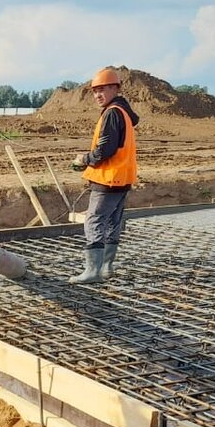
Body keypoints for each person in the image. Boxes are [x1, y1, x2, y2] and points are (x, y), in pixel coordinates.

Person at [69, 67, 139, 283]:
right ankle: (107, 267)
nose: (98, 95)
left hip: (108, 179)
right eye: (95, 91)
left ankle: (93, 271)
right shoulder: (124, 112)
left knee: (94, 221)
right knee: (112, 223)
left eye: (103, 90)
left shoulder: (112, 113)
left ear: (115, 89)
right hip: (122, 179)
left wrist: (85, 159)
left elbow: (104, 151)